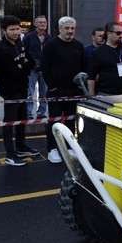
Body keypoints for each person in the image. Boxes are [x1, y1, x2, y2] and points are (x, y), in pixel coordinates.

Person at [0, 16, 39, 166]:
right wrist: (23, 66)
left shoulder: (20, 43)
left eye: (17, 28)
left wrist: (23, 66)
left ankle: (20, 146)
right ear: (4, 30)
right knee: (9, 122)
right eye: (12, 29)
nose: (15, 32)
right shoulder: (2, 49)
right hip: (10, 90)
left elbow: (30, 62)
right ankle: (10, 154)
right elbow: (13, 71)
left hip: (22, 87)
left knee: (22, 118)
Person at [41, 16, 85, 163]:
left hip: (74, 91)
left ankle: (69, 146)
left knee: (72, 120)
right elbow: (44, 67)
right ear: (60, 29)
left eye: (72, 28)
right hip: (56, 91)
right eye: (67, 28)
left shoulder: (78, 45)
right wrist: (52, 86)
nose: (70, 31)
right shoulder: (50, 45)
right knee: (54, 121)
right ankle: (52, 149)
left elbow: (83, 66)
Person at [23, 16, 52, 119]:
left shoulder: (49, 38)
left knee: (44, 92)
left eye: (44, 22)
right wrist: (30, 63)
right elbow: (24, 52)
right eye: (40, 22)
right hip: (32, 69)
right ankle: (28, 113)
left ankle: (41, 113)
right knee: (30, 92)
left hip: (45, 69)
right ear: (35, 24)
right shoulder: (28, 37)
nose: (42, 24)